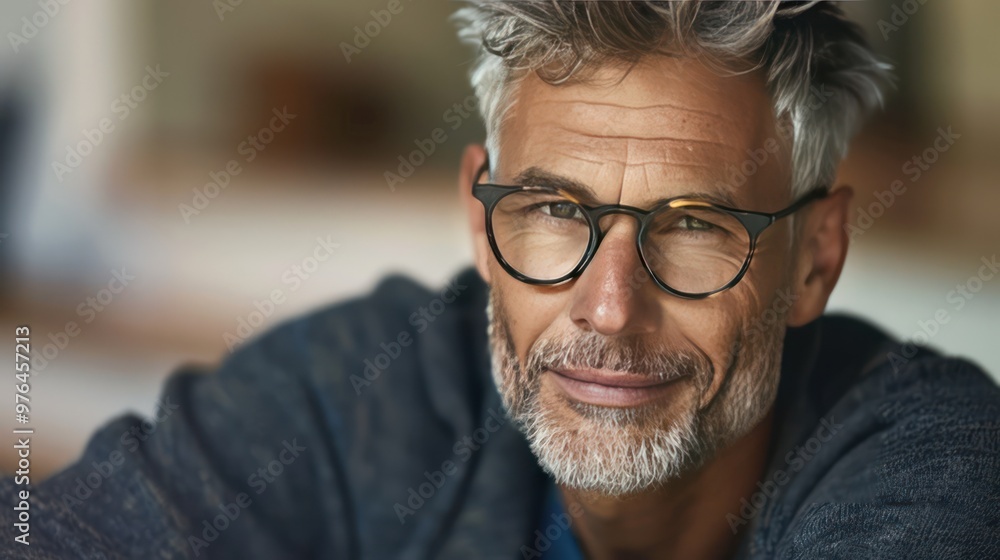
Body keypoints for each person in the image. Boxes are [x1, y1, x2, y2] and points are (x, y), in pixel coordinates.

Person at [3, 2, 998, 558]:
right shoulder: (369, 381)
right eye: (557, 211)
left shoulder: (928, 463)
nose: (609, 307)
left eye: (694, 225)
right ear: (482, 217)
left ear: (815, 254)